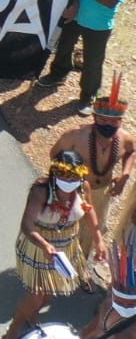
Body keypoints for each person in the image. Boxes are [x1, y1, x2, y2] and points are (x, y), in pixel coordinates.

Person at [3, 151, 104, 339]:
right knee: (35, 296)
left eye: (73, 177)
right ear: (54, 173)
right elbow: (26, 225)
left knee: (49, 293)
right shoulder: (40, 191)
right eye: (64, 176)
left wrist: (98, 239)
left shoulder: (83, 188)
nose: (69, 181)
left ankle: (31, 314)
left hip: (66, 246)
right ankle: (14, 328)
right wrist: (45, 245)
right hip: (38, 246)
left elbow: (89, 212)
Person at [38, 0, 132, 114]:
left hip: (98, 23)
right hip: (75, 13)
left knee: (93, 60)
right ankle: (58, 73)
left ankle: (88, 96)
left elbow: (110, 1)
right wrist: (74, 3)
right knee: (64, 45)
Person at [49, 78, 132, 269]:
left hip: (102, 194)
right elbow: (54, 156)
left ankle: (79, 267)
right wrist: (66, 184)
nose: (108, 124)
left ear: (120, 121)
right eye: (103, 120)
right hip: (75, 191)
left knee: (91, 233)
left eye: (114, 121)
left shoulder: (124, 138)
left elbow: (131, 152)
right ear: (94, 117)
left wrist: (125, 175)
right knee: (66, 230)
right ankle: (53, 264)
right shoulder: (75, 136)